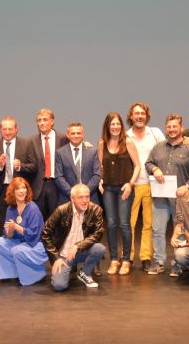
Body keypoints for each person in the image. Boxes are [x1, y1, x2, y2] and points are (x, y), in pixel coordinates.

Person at [145, 113, 189, 275]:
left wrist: (187, 186)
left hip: (181, 200)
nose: (171, 129)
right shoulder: (158, 147)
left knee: (181, 232)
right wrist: (154, 169)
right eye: (169, 127)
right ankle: (159, 261)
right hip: (160, 198)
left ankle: (178, 263)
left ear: (181, 128)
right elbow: (148, 163)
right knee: (158, 231)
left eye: (174, 126)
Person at [97, 112, 141, 275]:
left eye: (118, 124)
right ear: (107, 126)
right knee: (111, 224)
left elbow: (137, 166)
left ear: (121, 126)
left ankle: (126, 260)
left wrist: (130, 184)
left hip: (125, 188)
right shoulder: (102, 143)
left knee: (124, 224)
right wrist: (100, 180)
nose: (115, 127)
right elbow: (100, 167)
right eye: (112, 124)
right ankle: (114, 259)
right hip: (108, 189)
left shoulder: (127, 142)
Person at [42, 183, 106, 292]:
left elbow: (98, 234)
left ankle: (84, 273)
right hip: (64, 255)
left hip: (81, 251)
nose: (85, 200)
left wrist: (77, 246)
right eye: (80, 197)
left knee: (100, 248)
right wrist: (55, 258)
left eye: (87, 197)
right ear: (72, 199)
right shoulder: (61, 210)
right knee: (59, 285)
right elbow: (45, 233)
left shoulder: (96, 210)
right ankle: (68, 268)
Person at [126, 102, 165, 272]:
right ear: (131, 116)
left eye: (142, 113)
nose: (140, 116)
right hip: (132, 185)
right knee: (129, 223)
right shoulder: (125, 135)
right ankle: (127, 256)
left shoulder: (155, 133)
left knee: (149, 224)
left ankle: (145, 257)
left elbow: (166, 151)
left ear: (147, 116)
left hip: (152, 185)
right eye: (136, 113)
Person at [0, 177, 47, 285]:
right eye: (17, 189)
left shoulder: (33, 208)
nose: (21, 191)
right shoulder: (10, 208)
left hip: (35, 243)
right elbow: (8, 236)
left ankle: (36, 275)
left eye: (23, 188)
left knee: (17, 250)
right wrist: (10, 231)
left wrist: (16, 227)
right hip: (20, 242)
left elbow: (33, 235)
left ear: (27, 190)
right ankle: (12, 274)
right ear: (12, 192)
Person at [0, 116, 37, 236]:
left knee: (20, 221)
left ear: (16, 129)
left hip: (20, 190)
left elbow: (34, 166)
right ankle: (2, 244)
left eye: (10, 129)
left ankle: (18, 245)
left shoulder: (26, 144)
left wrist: (21, 166)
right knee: (0, 222)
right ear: (0, 130)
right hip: (1, 190)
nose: (7, 132)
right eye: (4, 129)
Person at [29, 108, 68, 220]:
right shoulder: (31, 141)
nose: (42, 123)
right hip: (38, 187)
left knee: (58, 220)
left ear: (52, 121)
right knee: (37, 221)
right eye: (39, 120)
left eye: (45, 119)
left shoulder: (63, 139)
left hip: (57, 185)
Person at [54, 121, 101, 205]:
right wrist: (73, 193)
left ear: (83, 134)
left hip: (90, 198)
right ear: (67, 135)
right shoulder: (60, 153)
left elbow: (97, 174)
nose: (76, 136)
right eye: (73, 133)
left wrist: (85, 193)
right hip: (67, 199)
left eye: (78, 133)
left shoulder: (92, 152)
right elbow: (58, 176)